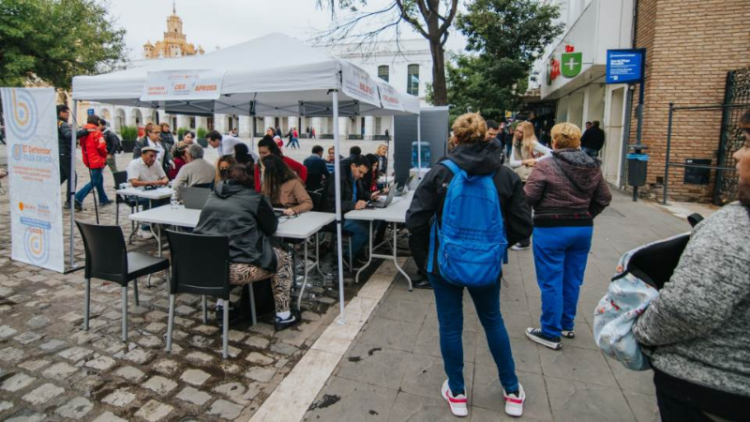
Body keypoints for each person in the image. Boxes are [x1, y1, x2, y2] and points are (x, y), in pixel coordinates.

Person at [406, 113, 532, 418]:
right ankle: (512, 391)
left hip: (443, 262)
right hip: (486, 264)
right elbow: (523, 226)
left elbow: (415, 220)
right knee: (493, 321)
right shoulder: (505, 176)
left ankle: (458, 393)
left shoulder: (441, 172)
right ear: (486, 136)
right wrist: (496, 245)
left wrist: (427, 259)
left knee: (451, 326)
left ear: (456, 138)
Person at [630, 112, 750, 422]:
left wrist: (642, 332)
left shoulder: (736, 226)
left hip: (706, 394)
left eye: (747, 144)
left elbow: (688, 308)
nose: (736, 154)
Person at [523, 122, 611, 350]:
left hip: (551, 229)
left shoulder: (545, 166)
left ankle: (550, 332)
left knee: (551, 280)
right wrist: (586, 214)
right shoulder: (593, 166)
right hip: (582, 229)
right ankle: (566, 324)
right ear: (578, 142)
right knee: (573, 279)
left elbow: (528, 197)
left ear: (554, 142)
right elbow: (604, 197)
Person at [194, 164, 300, 331]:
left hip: (207, 266)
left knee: (225, 252)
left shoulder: (213, 195)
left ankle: (222, 304)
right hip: (236, 269)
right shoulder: (255, 198)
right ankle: (284, 314)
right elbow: (271, 227)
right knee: (284, 259)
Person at [509, 121, 552, 250]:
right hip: (521, 178)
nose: (518, 133)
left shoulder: (531, 143)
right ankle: (523, 239)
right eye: (517, 130)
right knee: (523, 209)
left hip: (528, 179)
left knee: (524, 210)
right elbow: (512, 163)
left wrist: (534, 161)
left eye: (521, 131)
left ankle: (524, 241)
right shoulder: (516, 142)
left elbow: (551, 153)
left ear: (527, 132)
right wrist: (525, 161)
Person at [322, 154, 371, 261]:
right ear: (353, 166)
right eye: (361, 172)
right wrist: (354, 205)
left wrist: (370, 195)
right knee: (363, 230)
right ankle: (348, 257)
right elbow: (332, 203)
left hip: (347, 212)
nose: (361, 176)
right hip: (333, 216)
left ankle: (357, 250)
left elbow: (359, 194)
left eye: (363, 173)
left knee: (373, 223)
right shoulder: (339, 178)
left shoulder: (354, 176)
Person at [74, 115, 111, 208]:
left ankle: (103, 199)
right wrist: (105, 154)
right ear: (96, 122)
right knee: (94, 181)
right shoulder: (96, 132)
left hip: (88, 159)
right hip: (96, 159)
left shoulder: (83, 132)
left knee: (99, 179)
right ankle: (78, 197)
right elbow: (101, 146)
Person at [57, 104, 89, 210]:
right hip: (65, 153)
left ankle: (48, 193)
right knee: (72, 176)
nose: (68, 115)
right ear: (61, 113)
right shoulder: (63, 124)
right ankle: (69, 201)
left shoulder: (56, 123)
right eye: (66, 112)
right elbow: (69, 135)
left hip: (59, 153)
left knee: (63, 176)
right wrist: (84, 131)